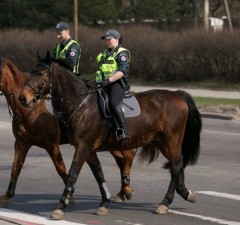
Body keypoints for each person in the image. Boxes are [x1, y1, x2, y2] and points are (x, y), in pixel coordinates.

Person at [95, 29, 131, 141]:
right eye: (106, 40)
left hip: (118, 84)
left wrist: (108, 81)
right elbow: (100, 71)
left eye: (110, 39)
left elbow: (122, 72)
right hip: (104, 84)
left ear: (117, 39)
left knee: (113, 102)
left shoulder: (122, 53)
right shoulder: (104, 54)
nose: (107, 41)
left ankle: (122, 129)